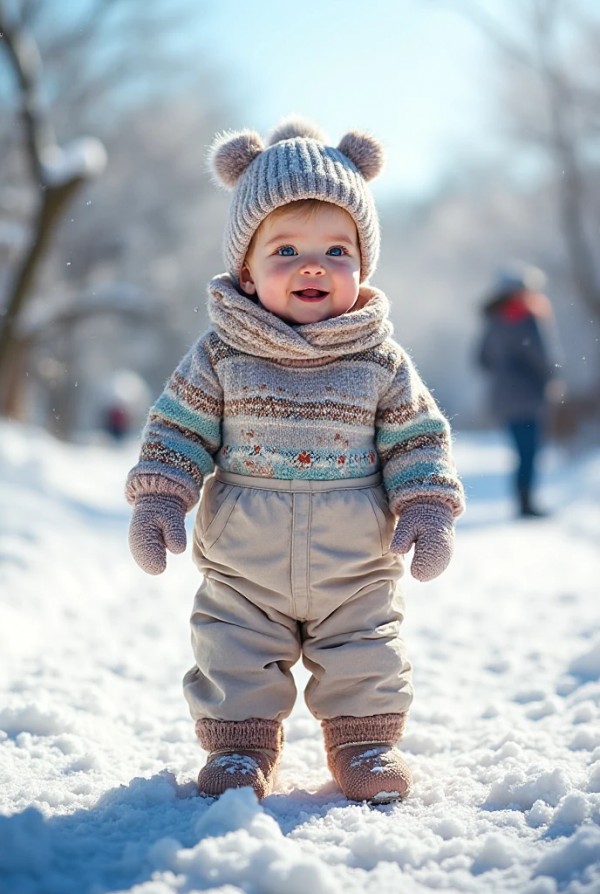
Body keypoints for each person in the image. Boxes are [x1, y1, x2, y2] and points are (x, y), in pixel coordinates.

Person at [126, 118, 465, 804]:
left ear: (361, 267)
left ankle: (365, 743)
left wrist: (427, 502)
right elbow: (178, 429)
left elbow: (416, 438)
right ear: (246, 272)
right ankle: (241, 750)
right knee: (233, 648)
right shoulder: (221, 354)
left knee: (366, 647)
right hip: (246, 559)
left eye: (336, 249)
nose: (313, 265)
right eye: (285, 249)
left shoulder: (379, 360)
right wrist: (162, 494)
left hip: (355, 558)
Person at [477, 263, 561, 517]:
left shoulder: (494, 321)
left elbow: (480, 359)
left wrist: (503, 371)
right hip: (528, 396)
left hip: (503, 398)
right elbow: (542, 356)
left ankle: (523, 501)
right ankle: (527, 504)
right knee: (530, 451)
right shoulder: (527, 317)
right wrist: (552, 379)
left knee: (521, 451)